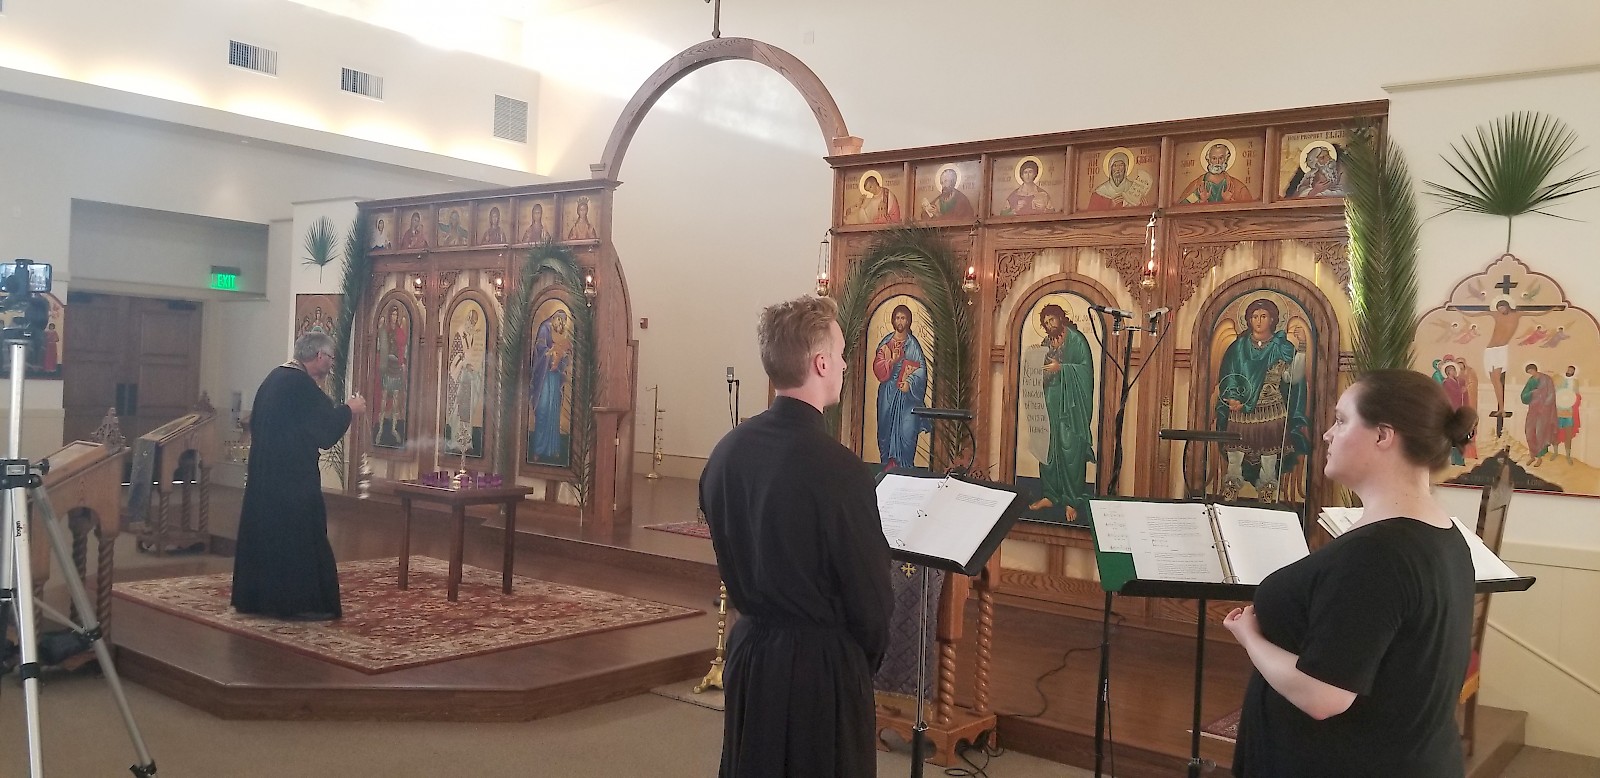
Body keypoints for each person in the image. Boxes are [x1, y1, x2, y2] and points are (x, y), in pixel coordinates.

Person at [1223, 369, 1477, 778]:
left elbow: (1323, 696)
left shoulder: (1377, 553)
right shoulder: (1441, 532)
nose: (1327, 434)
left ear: (1383, 435)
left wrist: (1250, 637)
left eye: (1341, 420)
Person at [700, 295, 894, 778]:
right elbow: (871, 603)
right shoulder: (841, 471)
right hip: (821, 670)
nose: (846, 365)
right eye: (841, 354)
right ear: (821, 363)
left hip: (750, 653)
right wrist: (853, 666)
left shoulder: (725, 454)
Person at [231, 332, 366, 620]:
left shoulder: (274, 379)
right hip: (291, 478)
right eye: (330, 358)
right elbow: (326, 431)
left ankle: (256, 600)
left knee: (267, 536)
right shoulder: (300, 386)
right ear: (319, 356)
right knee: (299, 537)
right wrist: (350, 410)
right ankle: (300, 604)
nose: (331, 365)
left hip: (265, 474)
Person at [1215, 298, 1311, 503]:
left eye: (1264, 316)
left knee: (1269, 455)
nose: (1259, 321)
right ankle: (1231, 489)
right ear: (1248, 320)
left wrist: (1302, 348)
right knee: (1235, 453)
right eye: (1255, 316)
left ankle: (1267, 491)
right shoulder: (1238, 347)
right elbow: (1229, 374)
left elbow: (1292, 378)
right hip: (1241, 408)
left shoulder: (1281, 347)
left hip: (1271, 408)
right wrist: (1232, 398)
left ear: (1273, 319)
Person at [1029, 304, 1096, 521]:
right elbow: (1041, 373)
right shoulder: (1046, 343)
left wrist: (1063, 368)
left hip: (1072, 406)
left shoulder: (1077, 340)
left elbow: (1085, 371)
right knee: (1048, 446)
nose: (1050, 325)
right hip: (1051, 399)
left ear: (1061, 317)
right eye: (1046, 323)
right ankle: (1050, 494)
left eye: (1052, 320)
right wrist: (1037, 361)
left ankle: (1071, 500)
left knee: (1070, 449)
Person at [872, 303, 930, 470]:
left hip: (907, 398)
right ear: (893, 320)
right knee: (886, 430)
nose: (900, 321)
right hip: (888, 394)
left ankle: (905, 469)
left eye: (903, 318)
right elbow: (878, 367)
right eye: (897, 318)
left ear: (908, 321)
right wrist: (892, 361)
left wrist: (910, 383)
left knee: (907, 433)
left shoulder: (913, 345)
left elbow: (921, 370)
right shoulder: (886, 343)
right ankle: (886, 467)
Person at [529, 309, 572, 463]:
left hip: (554, 377)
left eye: (563, 322)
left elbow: (566, 356)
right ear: (554, 318)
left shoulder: (561, 333)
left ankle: (553, 449)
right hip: (543, 377)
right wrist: (552, 353)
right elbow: (540, 349)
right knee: (542, 410)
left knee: (553, 411)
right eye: (559, 320)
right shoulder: (545, 328)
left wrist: (563, 356)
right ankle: (538, 449)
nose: (561, 324)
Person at [1179, 142, 1256, 204]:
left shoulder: (1236, 187)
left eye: (1221, 158)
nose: (1217, 162)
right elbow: (1183, 207)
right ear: (1208, 159)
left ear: (1226, 159)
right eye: (1214, 158)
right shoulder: (1199, 185)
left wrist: (1229, 201)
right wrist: (1201, 201)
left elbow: (1249, 208)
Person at [1085, 151, 1152, 210]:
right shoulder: (1099, 192)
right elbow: (1091, 215)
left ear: (1126, 168)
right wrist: (1110, 205)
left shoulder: (1134, 189)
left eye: (1121, 165)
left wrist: (1144, 207)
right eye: (1115, 165)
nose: (1118, 169)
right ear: (1110, 168)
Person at [1521, 362, 1559, 467]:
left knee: (1540, 433)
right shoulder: (1531, 381)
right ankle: (1532, 455)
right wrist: (1532, 393)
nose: (1530, 374)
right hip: (1533, 410)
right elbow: (1524, 395)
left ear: (1535, 369)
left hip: (1544, 412)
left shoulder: (1546, 379)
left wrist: (1545, 406)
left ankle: (1539, 458)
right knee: (1529, 432)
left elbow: (1551, 394)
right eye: (1529, 372)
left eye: (1531, 371)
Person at [1555, 365, 1581, 464]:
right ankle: (1555, 452)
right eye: (1568, 370)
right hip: (1558, 410)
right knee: (1556, 432)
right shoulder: (1560, 379)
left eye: (1571, 371)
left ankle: (1568, 456)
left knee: (1568, 434)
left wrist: (1573, 401)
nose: (1569, 372)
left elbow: (1576, 395)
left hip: (1569, 411)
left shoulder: (1575, 382)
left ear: (1573, 372)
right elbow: (1556, 391)